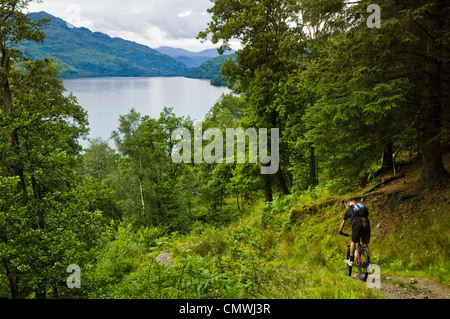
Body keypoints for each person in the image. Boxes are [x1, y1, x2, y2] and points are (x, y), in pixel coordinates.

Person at [338, 201, 371, 269]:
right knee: (365, 244)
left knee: (353, 241)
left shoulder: (348, 211)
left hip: (357, 224)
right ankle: (368, 262)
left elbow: (343, 223)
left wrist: (340, 231)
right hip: (366, 223)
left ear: (350, 206)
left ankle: (351, 260)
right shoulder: (362, 210)